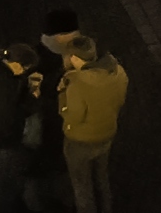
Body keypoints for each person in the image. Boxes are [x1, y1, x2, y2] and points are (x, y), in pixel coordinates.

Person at [50, 20, 131, 211]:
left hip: (80, 141)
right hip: (106, 134)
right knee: (101, 178)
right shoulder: (117, 72)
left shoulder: (77, 83)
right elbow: (120, 101)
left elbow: (73, 117)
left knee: (82, 186)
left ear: (76, 58)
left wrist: (62, 95)